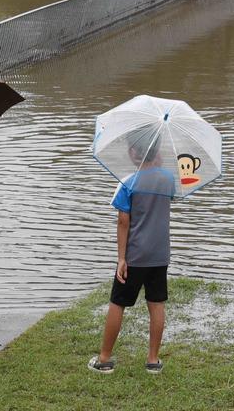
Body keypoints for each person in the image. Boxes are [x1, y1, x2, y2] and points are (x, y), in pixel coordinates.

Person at [88, 133, 176, 375]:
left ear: (131, 154)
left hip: (135, 256)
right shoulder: (168, 179)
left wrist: (121, 259)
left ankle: (104, 358)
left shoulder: (127, 182)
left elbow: (123, 222)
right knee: (156, 303)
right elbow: (168, 198)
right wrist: (157, 166)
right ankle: (153, 360)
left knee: (118, 303)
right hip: (160, 255)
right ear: (157, 152)